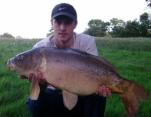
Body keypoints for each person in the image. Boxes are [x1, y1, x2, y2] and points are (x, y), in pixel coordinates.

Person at [26, 3, 111, 117]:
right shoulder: (40, 48)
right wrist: (40, 83)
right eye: (58, 22)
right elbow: (34, 83)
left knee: (98, 96)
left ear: (75, 24)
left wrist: (101, 86)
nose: (62, 27)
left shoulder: (87, 42)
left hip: (80, 92)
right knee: (34, 103)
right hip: (52, 93)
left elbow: (95, 72)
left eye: (67, 22)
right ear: (52, 23)